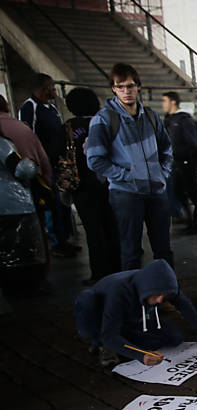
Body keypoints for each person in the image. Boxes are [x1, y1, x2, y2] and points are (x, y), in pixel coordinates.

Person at [86, 63, 175, 271]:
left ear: (138, 87)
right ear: (114, 89)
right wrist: (128, 176)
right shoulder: (104, 119)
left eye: (130, 86)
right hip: (126, 193)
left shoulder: (151, 116)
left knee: (163, 249)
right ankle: (134, 300)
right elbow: (95, 159)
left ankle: (168, 295)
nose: (126, 91)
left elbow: (167, 150)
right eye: (121, 87)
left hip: (156, 190)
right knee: (131, 250)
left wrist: (161, 173)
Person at [74, 259, 197, 367]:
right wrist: (140, 355)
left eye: (164, 296)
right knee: (91, 307)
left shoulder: (163, 284)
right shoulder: (119, 292)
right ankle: (100, 343)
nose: (161, 300)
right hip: (105, 320)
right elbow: (109, 333)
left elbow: (185, 305)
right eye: (155, 296)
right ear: (145, 290)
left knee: (175, 338)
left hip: (135, 320)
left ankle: (122, 344)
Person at [63, 88, 121, 285]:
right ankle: (118, 267)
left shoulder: (68, 128)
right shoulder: (107, 123)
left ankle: (99, 272)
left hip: (83, 187)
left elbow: (59, 155)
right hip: (110, 183)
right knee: (112, 227)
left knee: (93, 231)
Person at [19, 72, 78, 258]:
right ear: (45, 89)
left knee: (64, 203)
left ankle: (66, 238)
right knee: (51, 205)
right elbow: (27, 136)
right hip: (44, 165)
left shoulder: (52, 108)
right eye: (52, 87)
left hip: (59, 163)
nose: (54, 90)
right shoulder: (30, 107)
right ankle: (56, 242)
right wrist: (37, 163)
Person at [161, 91, 197, 234]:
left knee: (194, 193)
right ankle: (190, 220)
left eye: (165, 101)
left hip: (187, 163)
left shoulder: (183, 120)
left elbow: (192, 143)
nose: (163, 104)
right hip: (177, 163)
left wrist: (181, 156)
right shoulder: (170, 120)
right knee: (179, 192)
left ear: (173, 102)